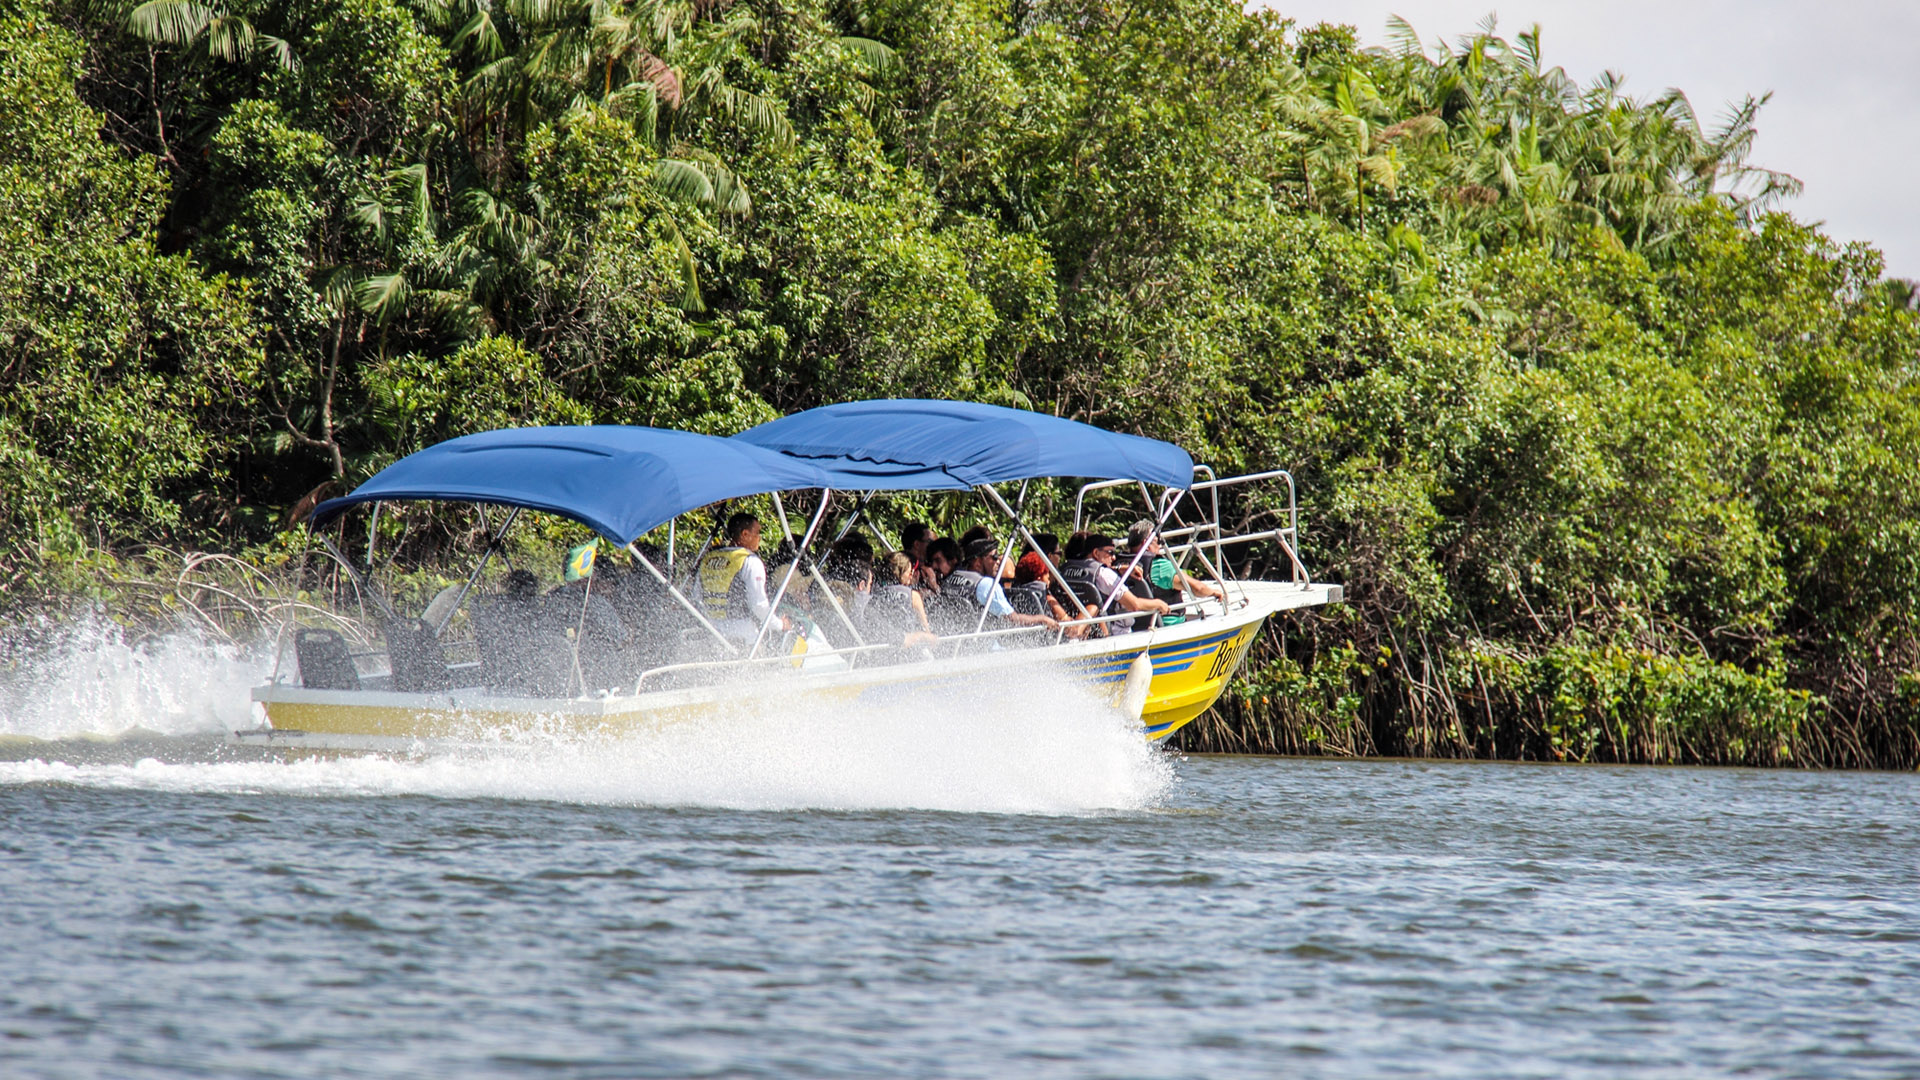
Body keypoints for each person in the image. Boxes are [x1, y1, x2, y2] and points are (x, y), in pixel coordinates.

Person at [926, 537, 1059, 636]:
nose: (998, 561)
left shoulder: (950, 579)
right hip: (986, 648)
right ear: (978, 562)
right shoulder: (986, 585)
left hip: (960, 643)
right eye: (994, 557)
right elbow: (1013, 620)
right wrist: (1042, 619)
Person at [696, 512, 790, 645]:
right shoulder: (750, 561)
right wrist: (780, 625)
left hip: (710, 632)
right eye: (757, 533)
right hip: (742, 635)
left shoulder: (708, 558)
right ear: (745, 534)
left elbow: (697, 598)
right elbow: (759, 606)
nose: (759, 538)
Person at [1059, 531, 1169, 636]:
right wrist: (1159, 603)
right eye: (1110, 552)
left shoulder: (1064, 569)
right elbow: (1134, 605)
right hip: (1114, 634)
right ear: (1096, 553)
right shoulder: (1104, 574)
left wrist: (1118, 568)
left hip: (1084, 628)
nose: (1114, 557)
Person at [1123, 519, 1225, 628]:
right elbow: (1197, 588)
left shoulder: (1123, 564)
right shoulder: (1161, 567)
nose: (1160, 544)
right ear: (1146, 543)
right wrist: (1214, 592)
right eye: (1157, 539)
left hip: (1137, 625)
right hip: (1169, 624)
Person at [901, 522, 940, 591]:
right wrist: (934, 587)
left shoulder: (929, 566)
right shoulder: (903, 565)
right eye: (930, 542)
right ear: (917, 544)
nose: (934, 546)